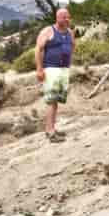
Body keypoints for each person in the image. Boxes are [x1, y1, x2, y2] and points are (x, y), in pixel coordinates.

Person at [35, 8, 74, 142]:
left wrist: (69, 64)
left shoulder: (70, 32)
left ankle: (50, 128)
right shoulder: (48, 31)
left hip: (64, 69)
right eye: (64, 17)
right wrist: (39, 69)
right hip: (51, 69)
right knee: (51, 100)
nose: (67, 20)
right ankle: (50, 132)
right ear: (58, 18)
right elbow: (38, 49)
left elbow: (72, 47)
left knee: (56, 100)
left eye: (68, 17)